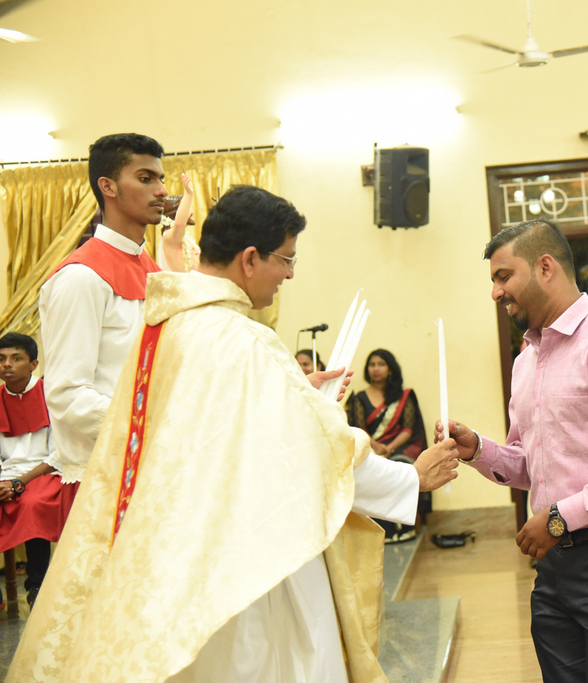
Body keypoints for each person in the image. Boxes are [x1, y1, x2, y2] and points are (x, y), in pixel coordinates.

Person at [6, 185, 461, 682]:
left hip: (178, 554)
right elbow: (314, 448)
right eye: (286, 259)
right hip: (244, 556)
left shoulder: (168, 328)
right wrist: (410, 479)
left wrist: (292, 391)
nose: (290, 273)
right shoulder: (240, 339)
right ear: (249, 258)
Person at [437, 219, 588, 683]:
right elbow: (536, 465)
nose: (495, 292)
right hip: (556, 562)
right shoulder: (527, 361)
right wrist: (479, 450)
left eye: (503, 276)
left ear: (545, 267)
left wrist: (559, 518)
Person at [39, 133, 165, 506]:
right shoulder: (81, 277)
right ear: (108, 187)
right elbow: (66, 393)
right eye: (145, 178)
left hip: (152, 467)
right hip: (103, 476)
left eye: (161, 178)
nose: (161, 190)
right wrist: (147, 425)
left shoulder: (155, 273)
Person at [0, 333, 64, 610]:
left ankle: (37, 585)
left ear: (34, 364)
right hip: (5, 476)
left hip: (44, 473)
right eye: (1, 359)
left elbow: (59, 454)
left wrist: (19, 482)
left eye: (16, 358)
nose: (7, 364)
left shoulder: (53, 396)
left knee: (33, 504)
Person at [347, 349, 426, 459]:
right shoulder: (360, 397)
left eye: (381, 364)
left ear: (390, 369)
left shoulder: (403, 396)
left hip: (399, 451)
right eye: (372, 365)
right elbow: (360, 429)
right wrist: (376, 447)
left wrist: (390, 448)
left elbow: (407, 430)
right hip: (369, 450)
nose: (376, 369)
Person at [157, 172, 201, 273]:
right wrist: (189, 194)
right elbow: (179, 224)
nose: (192, 211)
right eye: (188, 207)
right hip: (185, 282)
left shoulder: (184, 238)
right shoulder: (169, 237)